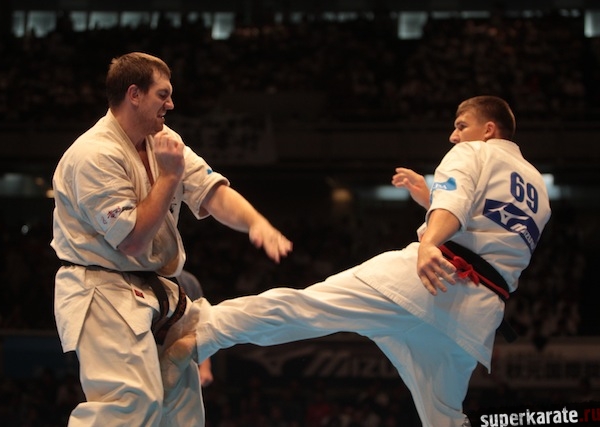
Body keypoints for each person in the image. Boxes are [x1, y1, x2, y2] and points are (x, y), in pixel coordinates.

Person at [165, 95, 552, 427]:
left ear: (488, 129)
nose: (454, 135)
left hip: (427, 279)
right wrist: (429, 200)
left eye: (461, 125)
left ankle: (205, 331)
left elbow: (455, 204)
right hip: (474, 314)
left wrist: (430, 241)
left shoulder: (472, 151)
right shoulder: (536, 187)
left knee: (309, 306)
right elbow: (486, 230)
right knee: (445, 417)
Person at [50, 52, 292, 426]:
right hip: (102, 288)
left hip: (155, 289)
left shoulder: (163, 141)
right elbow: (132, 241)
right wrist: (167, 178)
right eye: (162, 94)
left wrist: (256, 223)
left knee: (182, 409)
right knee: (130, 404)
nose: (171, 104)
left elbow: (211, 192)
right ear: (134, 94)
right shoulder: (93, 155)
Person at [176, 270, 214, 388]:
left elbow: (200, 322)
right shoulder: (135, 274)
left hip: (182, 354)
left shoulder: (188, 281)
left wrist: (205, 365)